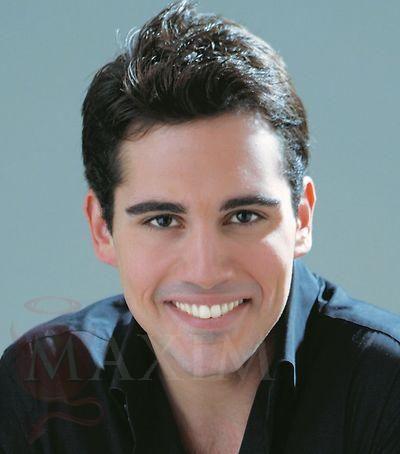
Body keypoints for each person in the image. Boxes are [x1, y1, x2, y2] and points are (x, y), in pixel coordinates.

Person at [1, 1, 399, 453]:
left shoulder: (388, 386)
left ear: (302, 218)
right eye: (163, 220)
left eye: (244, 216)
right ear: (102, 228)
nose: (206, 272)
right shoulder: (39, 388)